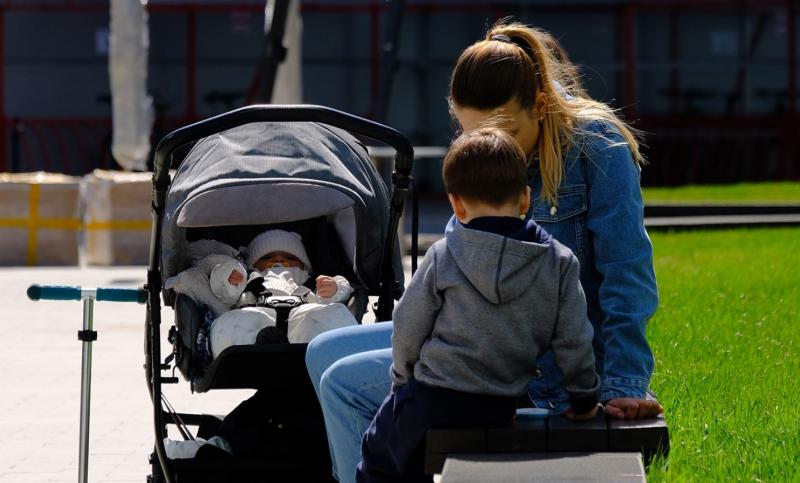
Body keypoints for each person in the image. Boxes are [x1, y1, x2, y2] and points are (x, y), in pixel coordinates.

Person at [306, 20, 662, 483]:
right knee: (320, 350)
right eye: (472, 135)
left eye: (507, 131)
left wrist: (622, 385)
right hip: (477, 332)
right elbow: (456, 262)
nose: (492, 149)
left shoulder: (598, 147)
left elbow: (627, 274)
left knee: (343, 384)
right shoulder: (488, 149)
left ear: (539, 105)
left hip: (536, 362)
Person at [356, 128, 601, 482]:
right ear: (525, 198)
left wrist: (401, 379)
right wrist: (583, 396)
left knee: (379, 456)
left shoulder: (444, 255)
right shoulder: (559, 262)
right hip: (500, 404)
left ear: (456, 204)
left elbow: (408, 323)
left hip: (432, 399)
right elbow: (574, 339)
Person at [209, 229, 357, 354]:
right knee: (225, 323)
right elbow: (223, 292)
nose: (278, 261)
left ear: (304, 266)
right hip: (257, 316)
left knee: (337, 313)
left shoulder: (310, 281)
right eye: (267, 257)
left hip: (300, 319)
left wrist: (334, 289)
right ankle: (257, 346)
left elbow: (341, 289)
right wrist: (228, 278)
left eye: (289, 257)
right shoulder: (247, 278)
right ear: (252, 264)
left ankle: (318, 348)